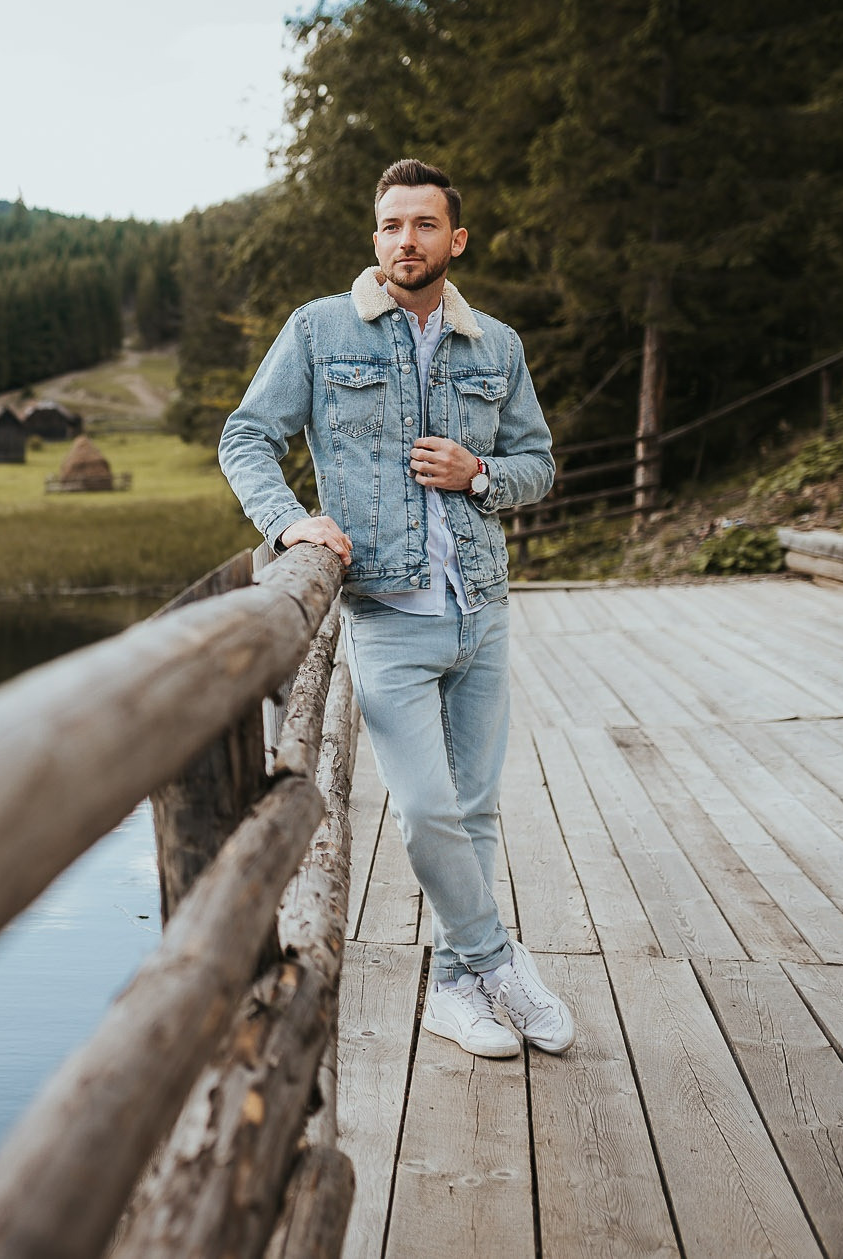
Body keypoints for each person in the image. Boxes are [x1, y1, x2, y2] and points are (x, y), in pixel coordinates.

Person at [219, 158, 572, 1057]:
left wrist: (480, 473)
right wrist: (292, 521)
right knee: (424, 809)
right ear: (374, 237)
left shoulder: (497, 345)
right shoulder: (320, 330)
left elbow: (538, 463)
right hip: (389, 615)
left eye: (422, 225)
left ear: (455, 239)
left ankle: (455, 990)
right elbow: (247, 435)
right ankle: (497, 960)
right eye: (389, 226)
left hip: (482, 610)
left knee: (478, 808)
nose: (403, 241)